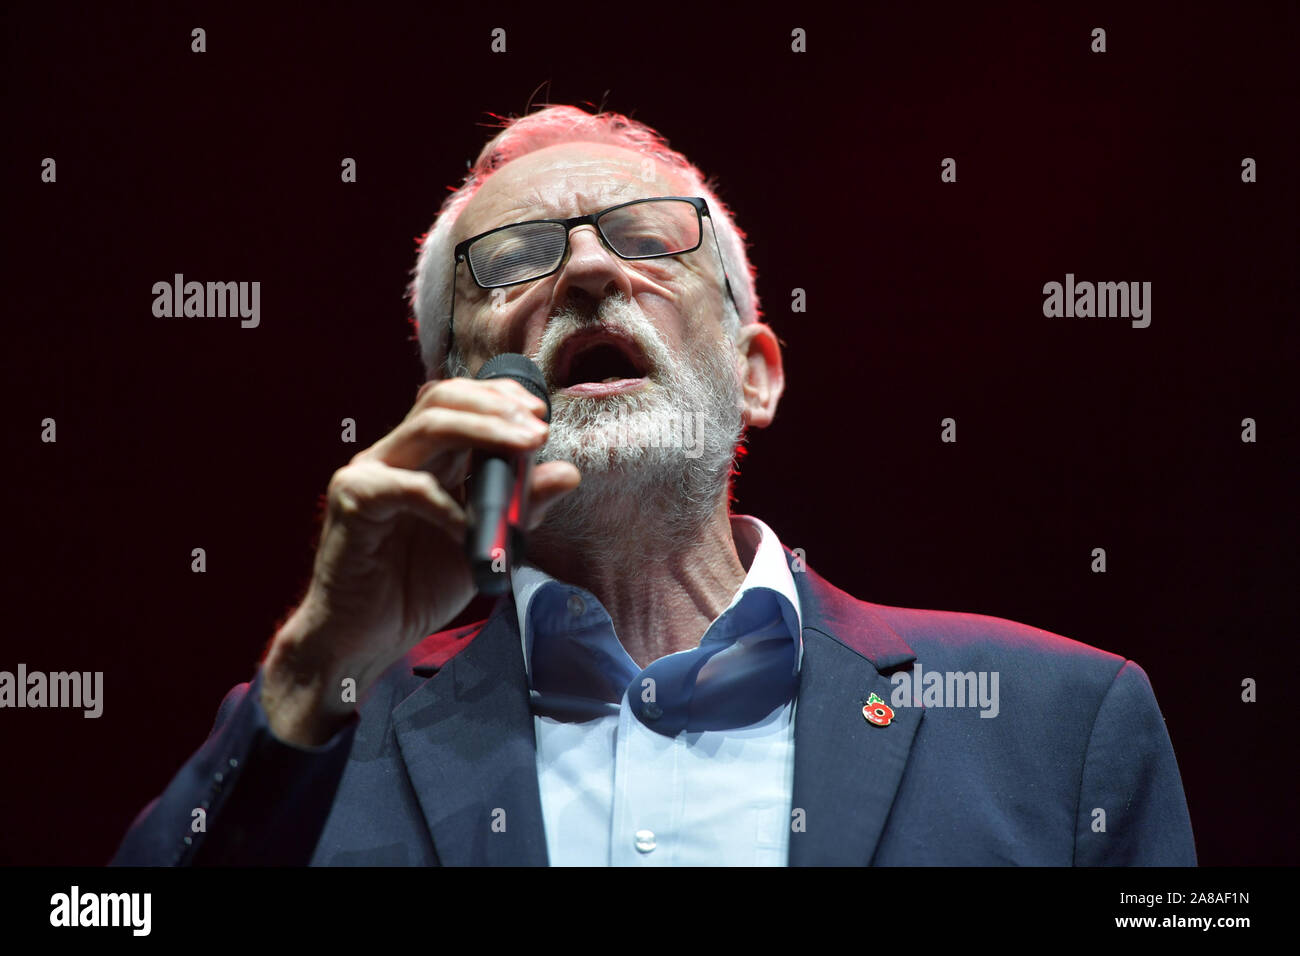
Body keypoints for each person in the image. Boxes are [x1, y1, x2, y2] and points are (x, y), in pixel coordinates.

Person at [111, 105, 1196, 866]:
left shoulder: (1060, 722)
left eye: (644, 239)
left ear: (754, 374)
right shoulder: (317, 737)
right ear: (454, 394)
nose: (588, 271)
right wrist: (315, 662)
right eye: (518, 255)